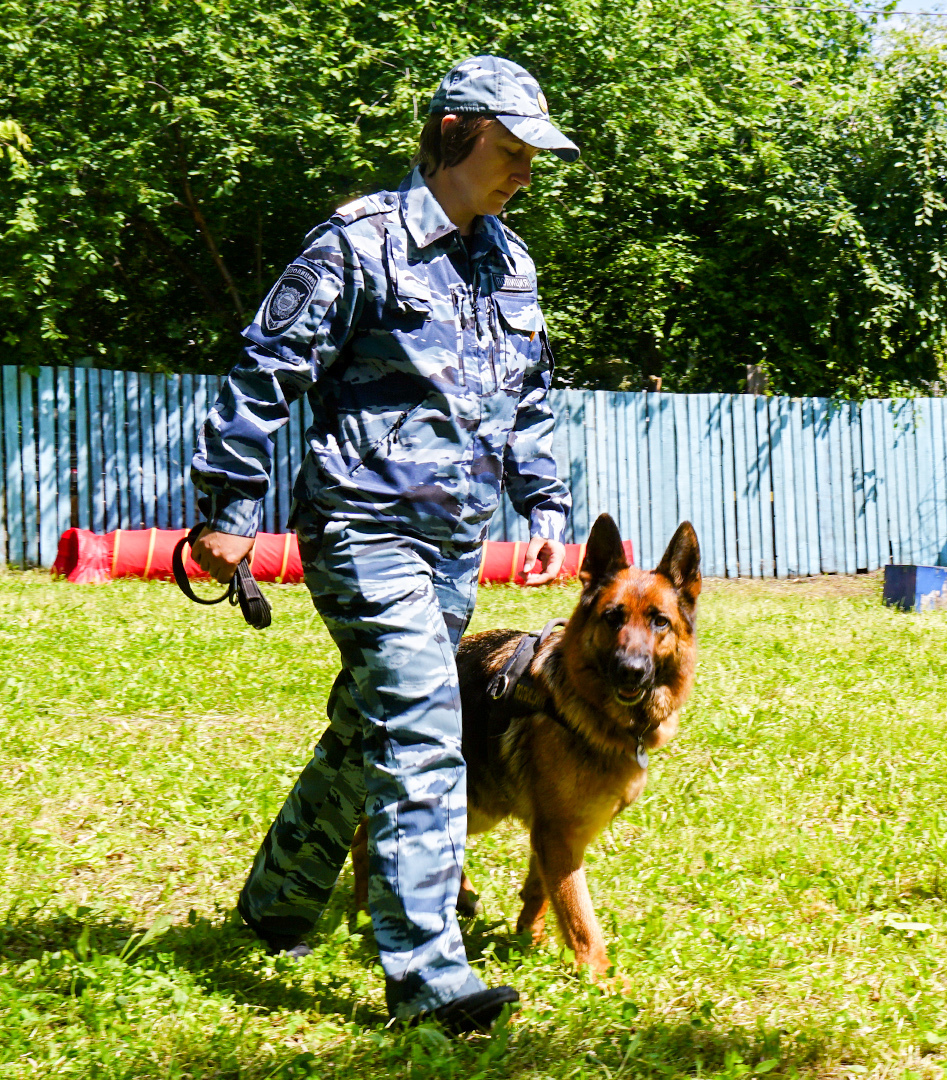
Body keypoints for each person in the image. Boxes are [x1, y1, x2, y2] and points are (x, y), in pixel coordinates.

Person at [186, 55, 578, 1035]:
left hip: (453, 547)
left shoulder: (512, 263)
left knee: (372, 729)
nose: (526, 169)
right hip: (360, 531)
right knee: (420, 718)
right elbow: (265, 368)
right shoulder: (358, 244)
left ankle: (277, 900)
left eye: (536, 153)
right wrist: (231, 504)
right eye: (511, 147)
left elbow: (528, 396)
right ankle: (427, 975)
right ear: (453, 136)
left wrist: (544, 504)